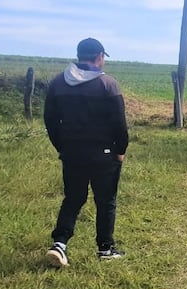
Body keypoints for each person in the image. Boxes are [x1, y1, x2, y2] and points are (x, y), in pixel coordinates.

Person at [43, 38, 128, 267]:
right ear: (100, 56)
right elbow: (119, 123)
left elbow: (50, 120)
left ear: (79, 55)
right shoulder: (108, 84)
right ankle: (105, 249)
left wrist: (61, 146)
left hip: (72, 153)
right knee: (106, 201)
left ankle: (59, 244)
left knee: (73, 198)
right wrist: (120, 150)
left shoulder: (58, 83)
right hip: (104, 153)